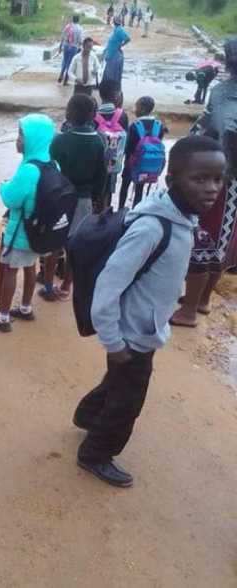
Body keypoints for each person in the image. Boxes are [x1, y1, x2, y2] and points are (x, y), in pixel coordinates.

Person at [73, 136, 225, 487]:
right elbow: (108, 287)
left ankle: (87, 415)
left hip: (144, 329)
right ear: (172, 180)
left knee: (117, 382)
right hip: (131, 335)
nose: (211, 188)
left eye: (218, 179)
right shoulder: (152, 227)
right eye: (200, 178)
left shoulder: (182, 217)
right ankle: (95, 454)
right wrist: (114, 342)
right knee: (128, 401)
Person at [173, 38, 237, 326]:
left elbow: (207, 130)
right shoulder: (221, 92)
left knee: (203, 238)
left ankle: (191, 307)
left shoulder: (222, 92)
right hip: (225, 179)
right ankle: (200, 299)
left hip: (218, 178)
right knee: (219, 239)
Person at [0, 114, 56, 333]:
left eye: (22, 135)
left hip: (20, 233)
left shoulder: (28, 169)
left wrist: (3, 186)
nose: (17, 139)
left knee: (10, 270)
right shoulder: (53, 164)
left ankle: (3, 317)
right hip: (39, 233)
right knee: (30, 266)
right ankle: (26, 308)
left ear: (34, 138)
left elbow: (11, 199)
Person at [43, 95, 107, 302]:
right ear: (92, 115)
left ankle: (48, 286)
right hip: (84, 199)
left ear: (69, 113)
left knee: (54, 244)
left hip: (60, 198)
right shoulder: (99, 141)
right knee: (75, 244)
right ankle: (66, 286)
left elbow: (50, 171)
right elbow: (101, 175)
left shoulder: (60, 140)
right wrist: (97, 200)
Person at [119, 96, 167, 210]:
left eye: (137, 107)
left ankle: (120, 209)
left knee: (125, 186)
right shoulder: (159, 126)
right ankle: (136, 211)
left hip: (131, 163)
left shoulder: (134, 126)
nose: (135, 110)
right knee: (139, 189)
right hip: (147, 165)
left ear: (142, 109)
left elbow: (128, 148)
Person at [95, 81, 131, 211]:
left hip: (97, 163)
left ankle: (95, 214)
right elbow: (126, 141)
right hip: (114, 161)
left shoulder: (94, 114)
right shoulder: (122, 115)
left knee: (96, 191)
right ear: (116, 95)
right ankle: (105, 213)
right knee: (108, 191)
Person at [102, 18, 131, 88]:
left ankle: (112, 88)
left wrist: (121, 45)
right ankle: (109, 87)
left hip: (115, 55)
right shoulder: (116, 29)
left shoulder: (119, 30)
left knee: (112, 74)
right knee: (109, 73)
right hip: (111, 54)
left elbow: (128, 38)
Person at [58, 16, 84, 86]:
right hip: (74, 47)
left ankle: (61, 75)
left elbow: (62, 37)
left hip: (66, 46)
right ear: (78, 20)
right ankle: (65, 80)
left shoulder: (68, 26)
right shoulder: (80, 28)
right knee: (70, 63)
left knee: (65, 60)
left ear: (72, 20)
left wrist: (60, 47)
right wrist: (81, 46)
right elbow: (80, 40)